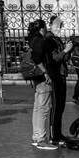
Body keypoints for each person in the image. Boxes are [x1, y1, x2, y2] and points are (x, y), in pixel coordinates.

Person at [26, 18, 58, 150]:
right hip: (43, 77)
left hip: (37, 77)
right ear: (42, 28)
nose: (47, 30)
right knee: (44, 108)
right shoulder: (39, 40)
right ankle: (41, 139)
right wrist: (45, 72)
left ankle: (36, 136)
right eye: (45, 28)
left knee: (38, 107)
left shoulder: (32, 39)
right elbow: (37, 57)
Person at [47, 17, 73, 145]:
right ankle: (53, 136)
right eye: (57, 26)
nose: (59, 28)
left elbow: (64, 58)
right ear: (50, 25)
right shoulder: (49, 40)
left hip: (62, 74)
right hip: (55, 76)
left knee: (61, 106)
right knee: (56, 106)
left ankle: (58, 133)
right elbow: (54, 59)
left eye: (60, 26)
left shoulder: (57, 39)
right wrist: (65, 50)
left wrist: (69, 49)